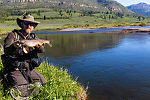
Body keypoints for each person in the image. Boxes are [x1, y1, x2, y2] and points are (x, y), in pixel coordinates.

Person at [2, 14, 46, 90]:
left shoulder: (33, 37)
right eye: (26, 23)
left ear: (33, 27)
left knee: (44, 84)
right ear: (22, 24)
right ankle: (7, 80)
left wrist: (39, 47)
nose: (29, 26)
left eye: (31, 24)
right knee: (23, 90)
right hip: (15, 69)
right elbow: (6, 50)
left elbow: (42, 50)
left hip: (30, 69)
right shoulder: (13, 35)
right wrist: (14, 46)